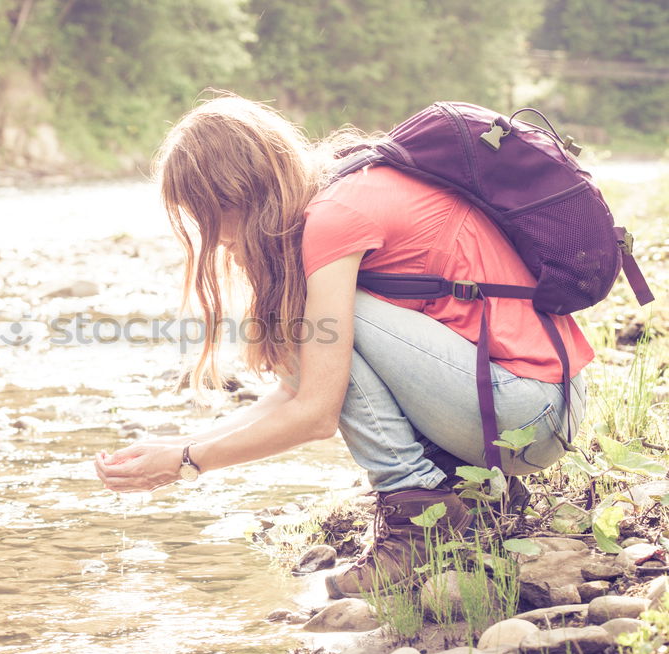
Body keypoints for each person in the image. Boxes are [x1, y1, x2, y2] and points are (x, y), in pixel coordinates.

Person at [93, 94, 591, 598]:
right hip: (532, 411)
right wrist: (180, 450)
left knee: (332, 324)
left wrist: (188, 462)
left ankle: (418, 517)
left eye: (203, 214)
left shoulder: (335, 218)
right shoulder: (341, 188)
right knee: (322, 329)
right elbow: (295, 391)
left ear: (235, 192)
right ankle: (471, 497)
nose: (212, 237)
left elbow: (315, 412)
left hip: (529, 412)